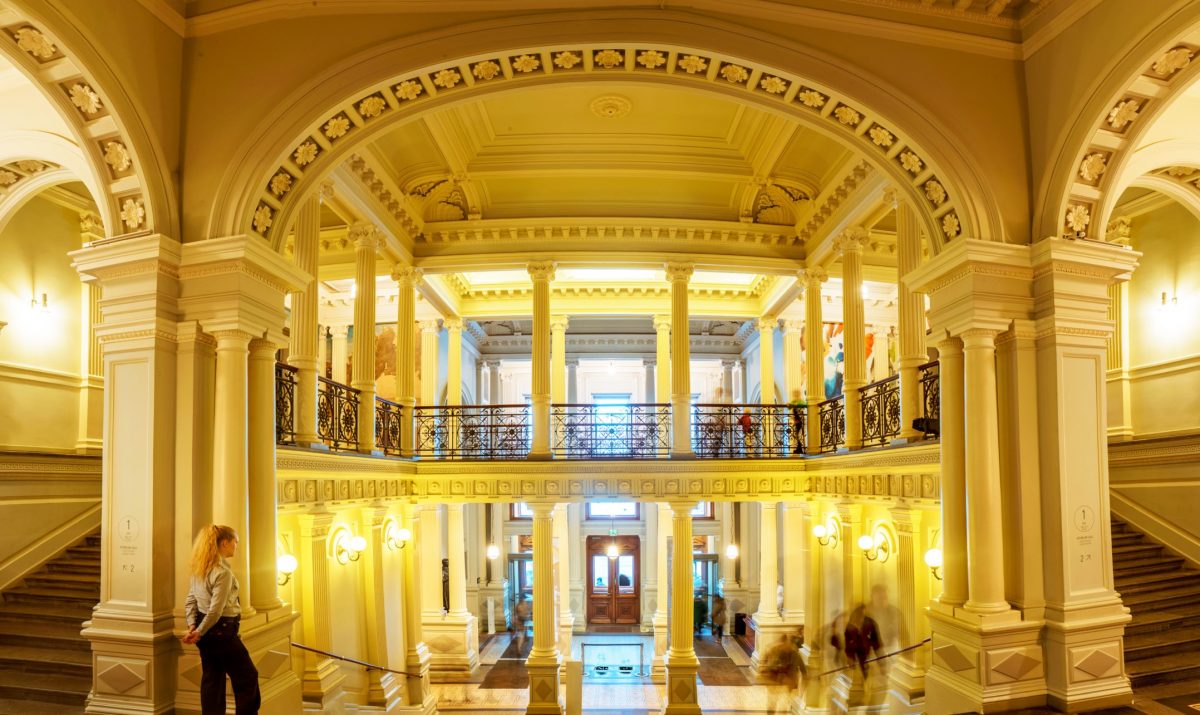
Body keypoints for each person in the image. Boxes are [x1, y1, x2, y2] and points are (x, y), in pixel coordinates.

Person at [182, 524, 260, 715]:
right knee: (247, 677)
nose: (237, 546)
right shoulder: (222, 573)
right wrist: (198, 632)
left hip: (205, 632)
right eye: (235, 542)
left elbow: (190, 601)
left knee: (212, 679)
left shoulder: (199, 568)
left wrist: (193, 626)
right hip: (222, 631)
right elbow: (215, 611)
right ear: (224, 543)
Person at [761, 632, 806, 715]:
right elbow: (801, 666)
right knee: (778, 701)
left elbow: (765, 660)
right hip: (780, 680)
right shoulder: (788, 651)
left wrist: (764, 670)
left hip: (782, 680)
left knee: (778, 701)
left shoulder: (777, 650)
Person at [788, 388, 807, 454]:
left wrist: (797, 405)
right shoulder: (794, 401)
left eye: (796, 393)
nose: (795, 394)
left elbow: (805, 405)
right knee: (796, 435)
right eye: (794, 393)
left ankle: (800, 448)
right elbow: (789, 406)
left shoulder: (800, 401)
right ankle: (799, 448)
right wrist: (789, 404)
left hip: (799, 419)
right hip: (796, 419)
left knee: (798, 435)